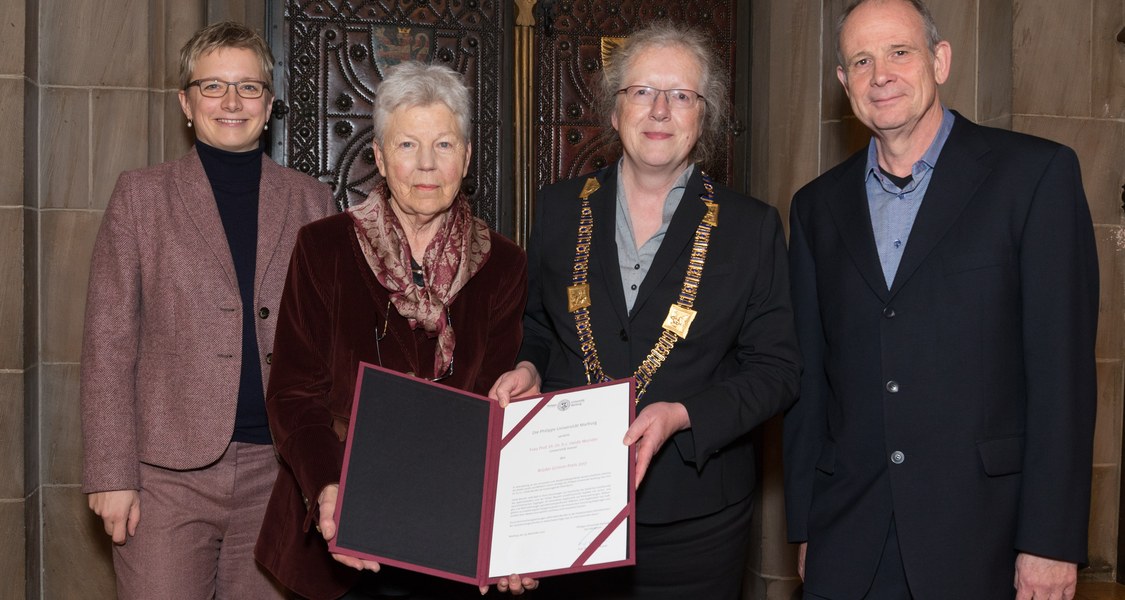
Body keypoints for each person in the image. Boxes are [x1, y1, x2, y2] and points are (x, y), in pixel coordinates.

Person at [782, 0, 1099, 598]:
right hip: (850, 536)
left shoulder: (1034, 177)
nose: (882, 74)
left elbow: (1063, 376)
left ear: (941, 60)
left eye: (900, 52)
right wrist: (805, 524)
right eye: (861, 60)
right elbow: (810, 382)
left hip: (986, 534)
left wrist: (1051, 541)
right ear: (843, 82)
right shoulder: (816, 208)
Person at [490, 22, 801, 599]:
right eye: (642, 92)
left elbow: (777, 372)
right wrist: (529, 369)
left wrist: (683, 414)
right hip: (568, 503)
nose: (659, 110)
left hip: (695, 518)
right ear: (614, 110)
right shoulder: (557, 210)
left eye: (681, 95)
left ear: (702, 118)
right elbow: (538, 325)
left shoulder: (750, 228)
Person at [253, 61, 529, 600]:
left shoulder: (504, 264)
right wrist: (330, 487)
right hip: (342, 526)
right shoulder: (323, 247)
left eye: (444, 145)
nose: (426, 164)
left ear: (467, 157)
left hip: (452, 533)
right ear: (378, 157)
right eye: (407, 145)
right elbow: (292, 394)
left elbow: (500, 407)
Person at [79, 21, 336, 599]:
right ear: (186, 103)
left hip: (279, 474)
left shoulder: (311, 201)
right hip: (165, 477)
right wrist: (109, 472)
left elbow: (331, 340)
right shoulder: (141, 197)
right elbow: (108, 343)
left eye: (248, 88)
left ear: (269, 105)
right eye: (213, 85)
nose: (231, 101)